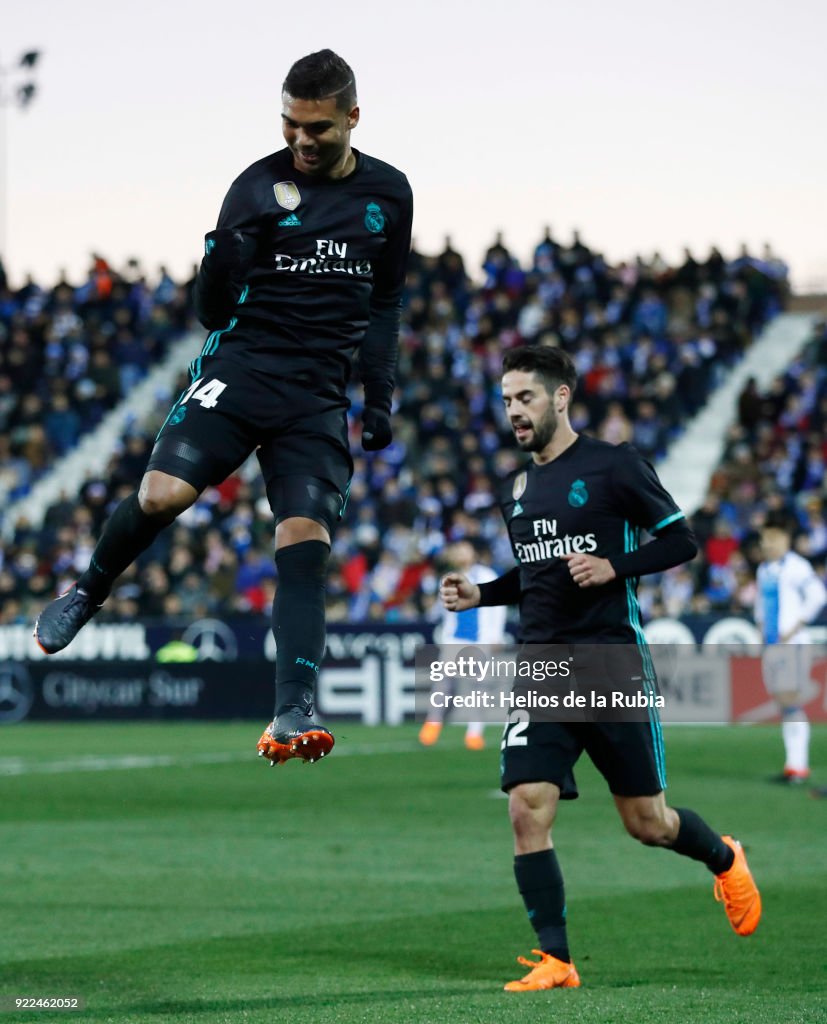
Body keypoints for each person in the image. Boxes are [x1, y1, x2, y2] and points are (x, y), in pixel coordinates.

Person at [34, 49, 413, 767]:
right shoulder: (254, 187)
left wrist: (378, 395)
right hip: (243, 369)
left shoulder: (389, 194)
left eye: (318, 129)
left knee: (305, 539)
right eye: (290, 124)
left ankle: (292, 706)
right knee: (160, 493)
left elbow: (386, 301)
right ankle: (89, 589)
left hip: (315, 396)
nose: (301, 141)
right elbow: (212, 313)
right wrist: (220, 262)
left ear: (352, 119)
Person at [439, 345, 761, 992]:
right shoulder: (517, 487)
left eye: (524, 397)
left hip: (610, 663)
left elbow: (679, 539)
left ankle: (724, 858)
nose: (513, 412)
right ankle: (555, 958)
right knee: (527, 805)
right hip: (542, 664)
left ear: (560, 397)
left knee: (648, 823)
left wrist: (616, 566)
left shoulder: (614, 467)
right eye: (505, 400)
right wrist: (484, 593)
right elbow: (536, 576)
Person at [755, 513, 827, 784]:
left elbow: (819, 595)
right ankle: (793, 765)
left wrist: (796, 625)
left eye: (772, 538)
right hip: (772, 646)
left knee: (790, 700)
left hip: (793, 645)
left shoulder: (797, 567)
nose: (767, 544)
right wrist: (761, 626)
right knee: (784, 702)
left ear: (785, 539)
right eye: (764, 539)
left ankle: (798, 765)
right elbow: (761, 605)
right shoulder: (764, 570)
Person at [419, 540, 507, 751]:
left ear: (473, 553)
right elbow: (441, 610)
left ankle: (474, 733)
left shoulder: (486, 576)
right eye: (458, 550)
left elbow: (498, 606)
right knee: (444, 684)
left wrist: (496, 635)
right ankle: (433, 723)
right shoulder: (447, 578)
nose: (461, 554)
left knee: (480, 688)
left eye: (465, 550)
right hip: (454, 639)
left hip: (481, 640)